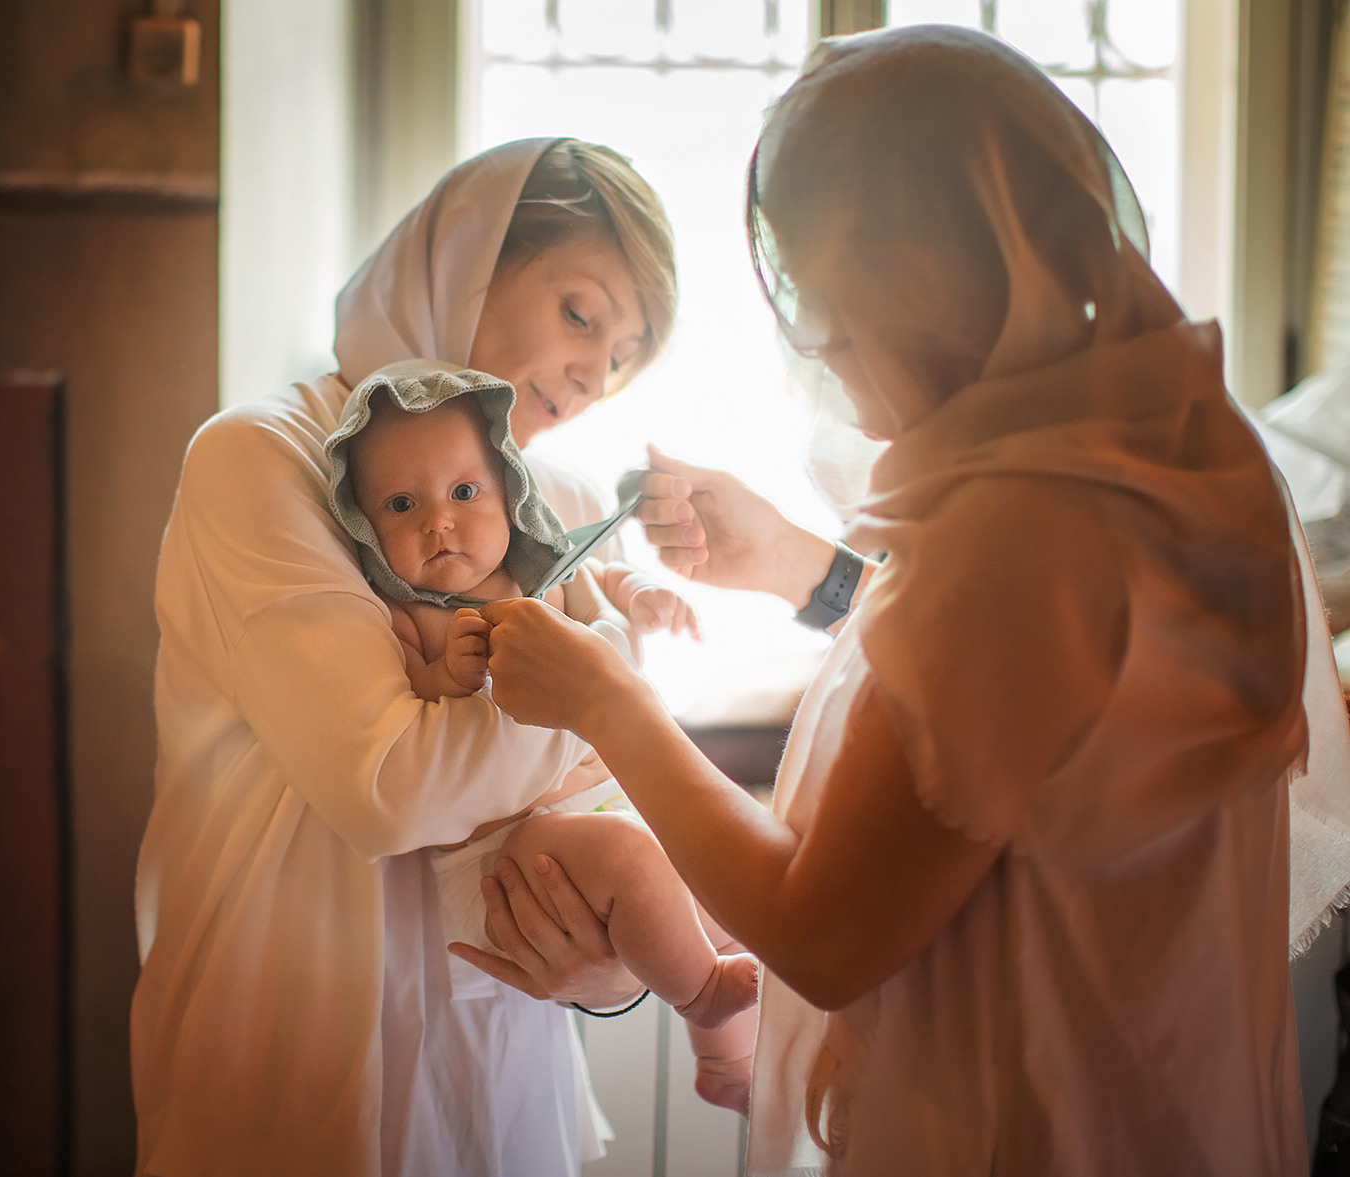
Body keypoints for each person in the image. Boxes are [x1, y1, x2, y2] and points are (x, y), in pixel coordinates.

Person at [456, 26, 1350, 1176]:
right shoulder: (1171, 451)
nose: (822, 354)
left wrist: (608, 701)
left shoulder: (1020, 541)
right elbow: (1035, 716)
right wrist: (803, 569)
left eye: (832, 306)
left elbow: (825, 931)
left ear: (918, 283)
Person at [130, 138, 677, 1177]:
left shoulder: (551, 502)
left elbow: (611, 803)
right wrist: (607, 666)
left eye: (623, 351)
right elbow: (390, 790)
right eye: (580, 311)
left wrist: (610, 970)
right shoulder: (260, 457)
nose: (594, 371)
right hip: (290, 1055)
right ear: (468, 255)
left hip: (503, 1057)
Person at [329, 359, 756, 1108]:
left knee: (707, 868)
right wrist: (447, 676)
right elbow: (401, 702)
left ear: (507, 489)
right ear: (365, 524)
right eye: (402, 503)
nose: (439, 520)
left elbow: (607, 581)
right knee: (634, 855)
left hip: (578, 812)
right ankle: (703, 995)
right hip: (500, 855)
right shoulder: (409, 613)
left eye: (464, 491)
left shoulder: (542, 564)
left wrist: (646, 592)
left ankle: (723, 1060)